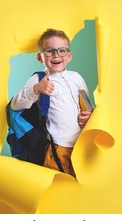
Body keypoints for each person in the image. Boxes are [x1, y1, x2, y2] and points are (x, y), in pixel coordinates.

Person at [11, 28, 92, 178]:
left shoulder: (77, 78)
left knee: (79, 185)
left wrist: (89, 116)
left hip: (81, 146)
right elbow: (15, 104)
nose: (56, 55)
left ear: (69, 56)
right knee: (56, 186)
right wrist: (35, 90)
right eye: (49, 51)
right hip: (56, 148)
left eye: (61, 51)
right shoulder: (39, 79)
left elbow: (87, 105)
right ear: (40, 57)